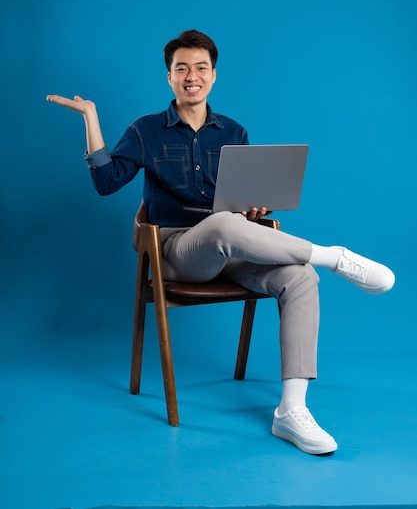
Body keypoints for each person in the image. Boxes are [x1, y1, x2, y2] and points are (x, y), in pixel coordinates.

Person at [46, 29, 395, 456]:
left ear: (213, 76)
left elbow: (241, 203)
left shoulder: (233, 130)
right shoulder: (146, 130)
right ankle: (334, 257)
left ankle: (291, 411)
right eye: (181, 69)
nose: (191, 75)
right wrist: (90, 116)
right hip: (176, 251)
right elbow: (105, 181)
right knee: (225, 226)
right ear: (169, 78)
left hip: (231, 247)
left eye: (201, 68)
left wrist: (255, 211)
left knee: (299, 277)